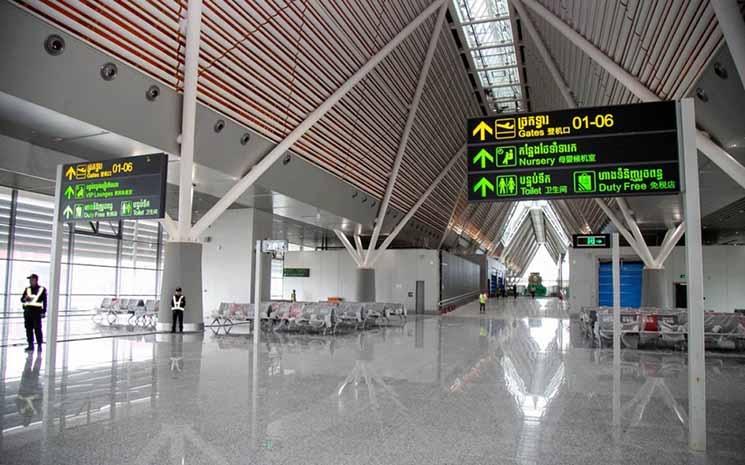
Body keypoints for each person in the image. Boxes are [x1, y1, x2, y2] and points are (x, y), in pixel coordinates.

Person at [21, 274, 47, 352]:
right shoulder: (27, 289)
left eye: (32, 279)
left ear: (36, 280)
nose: (30, 281)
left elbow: (45, 301)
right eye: (30, 280)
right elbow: (22, 299)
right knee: (28, 329)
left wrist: (44, 311)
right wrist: (24, 299)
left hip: (36, 312)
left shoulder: (41, 289)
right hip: (27, 312)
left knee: (37, 329)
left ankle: (39, 345)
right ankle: (30, 345)